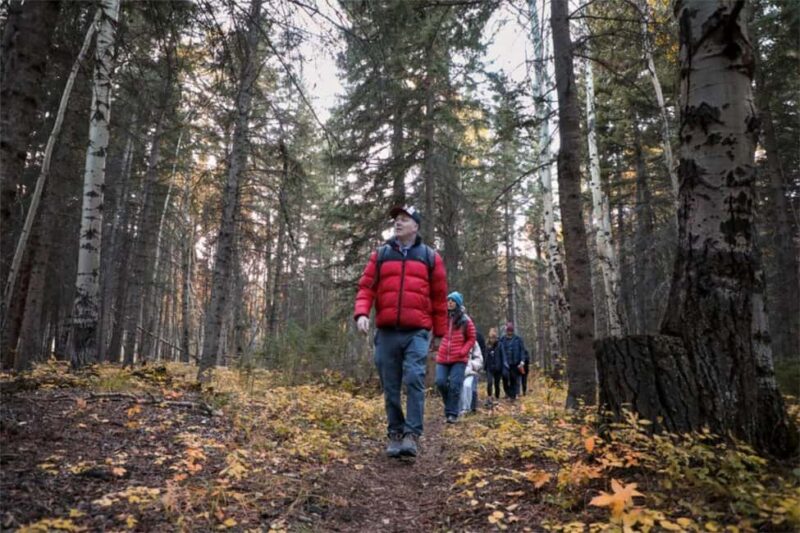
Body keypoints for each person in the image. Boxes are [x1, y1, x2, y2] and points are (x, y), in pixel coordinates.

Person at [354, 205, 447, 458]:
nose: (398, 223)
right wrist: (362, 313)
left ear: (416, 226)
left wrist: (439, 334)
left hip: (417, 331)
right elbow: (366, 288)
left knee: (415, 376)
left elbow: (439, 298)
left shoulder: (430, 257)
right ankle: (395, 432)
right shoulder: (381, 255)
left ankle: (412, 434)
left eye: (404, 219)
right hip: (386, 332)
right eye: (396, 219)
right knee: (390, 383)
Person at [435, 291, 476, 423]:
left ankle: (452, 414)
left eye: (452, 301)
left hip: (459, 358)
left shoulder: (465, 320)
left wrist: (463, 351)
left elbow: (472, 338)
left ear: (457, 303)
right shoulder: (443, 317)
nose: (450, 302)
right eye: (448, 300)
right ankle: (450, 407)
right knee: (440, 382)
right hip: (443, 357)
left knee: (455, 385)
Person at [498, 322, 528, 401]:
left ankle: (513, 395)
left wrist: (522, 361)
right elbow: (499, 351)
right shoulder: (502, 340)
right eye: (508, 330)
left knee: (514, 379)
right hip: (505, 363)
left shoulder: (518, 339)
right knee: (505, 378)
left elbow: (522, 350)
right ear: (506, 331)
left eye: (511, 330)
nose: (509, 332)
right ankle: (508, 393)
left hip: (515, 363)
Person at [461, 326, 483, 416]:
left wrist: (471, 365)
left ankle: (467, 409)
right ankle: (458, 409)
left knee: (467, 386)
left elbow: (479, 359)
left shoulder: (474, 343)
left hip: (470, 372)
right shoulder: (453, 341)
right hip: (457, 371)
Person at [483, 327, 506, 403]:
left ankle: (497, 397)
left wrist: (504, 365)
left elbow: (503, 355)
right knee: (489, 382)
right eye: (491, 338)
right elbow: (485, 356)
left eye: (494, 338)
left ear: (496, 338)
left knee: (497, 384)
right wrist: (484, 366)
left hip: (497, 367)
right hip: (489, 367)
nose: (492, 339)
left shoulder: (500, 345)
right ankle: (489, 396)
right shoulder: (487, 345)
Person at [470, 329, 486, 412]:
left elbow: (483, 350)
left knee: (473, 385)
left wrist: (481, 364)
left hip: (475, 364)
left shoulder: (478, 336)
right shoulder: (460, 334)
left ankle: (473, 406)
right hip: (463, 364)